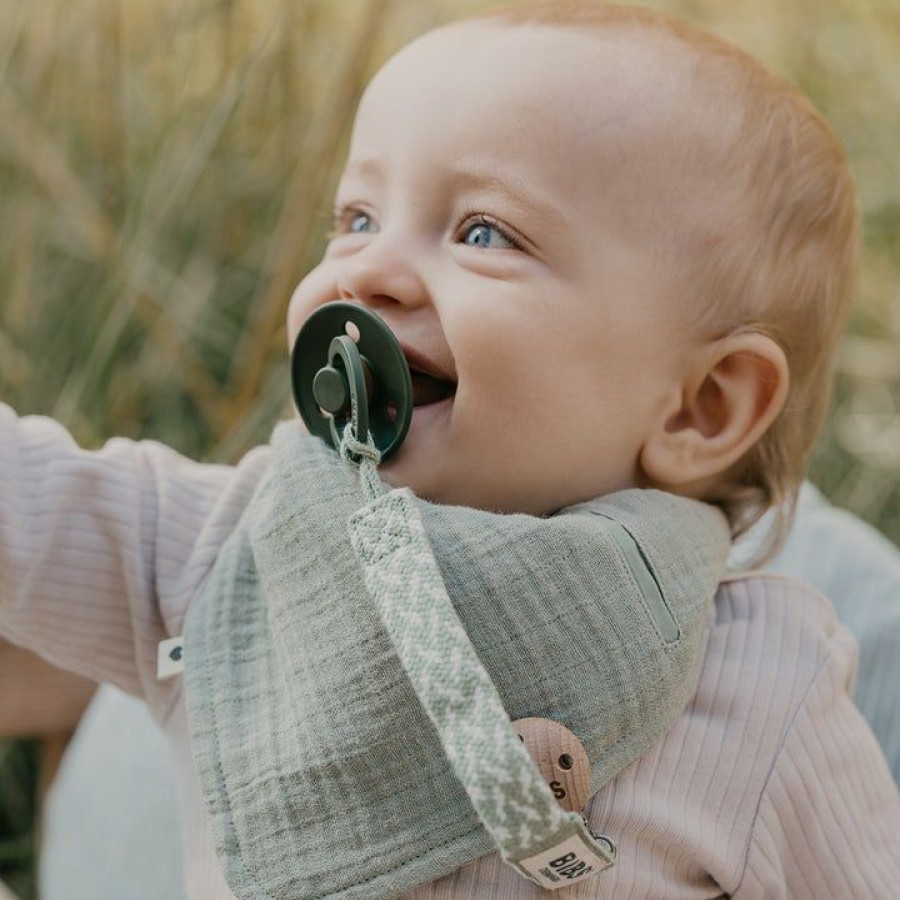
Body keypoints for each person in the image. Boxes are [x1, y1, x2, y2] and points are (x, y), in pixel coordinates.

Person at [2, 1, 899, 897]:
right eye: (355, 217)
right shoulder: (226, 555)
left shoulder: (763, 688)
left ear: (700, 407)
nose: (364, 272)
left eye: (484, 233)